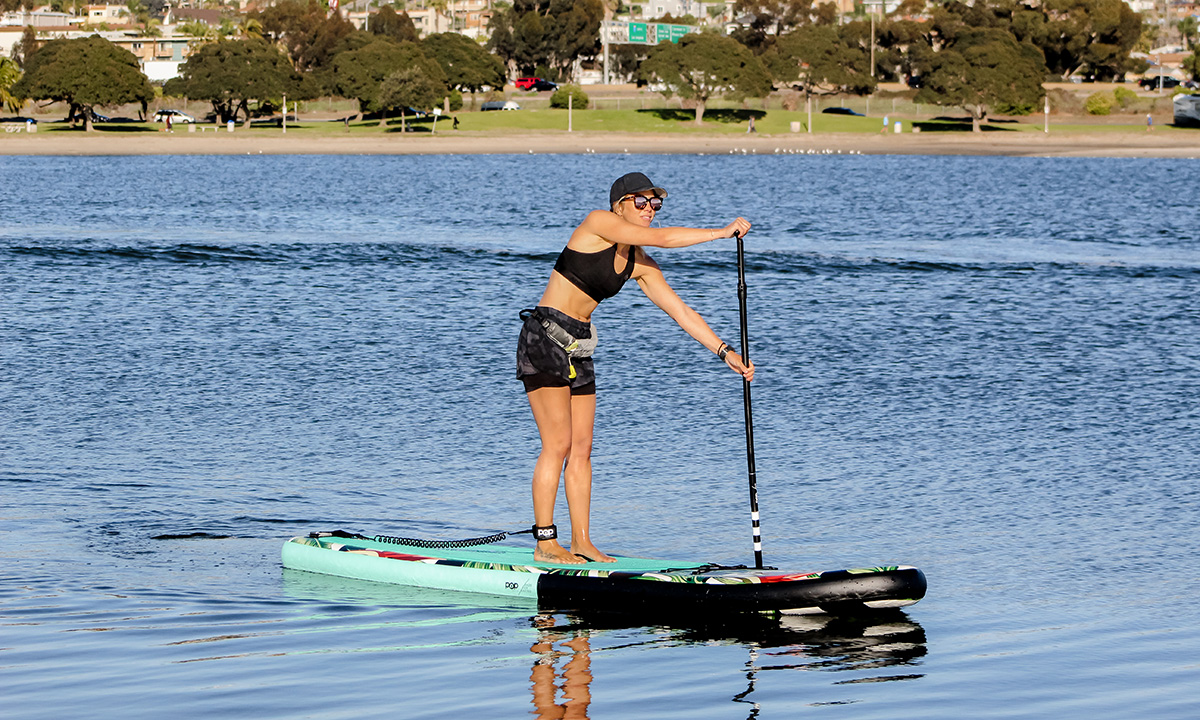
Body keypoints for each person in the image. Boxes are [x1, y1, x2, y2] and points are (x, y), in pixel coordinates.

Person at [516, 172, 754, 565]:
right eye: (640, 202)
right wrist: (721, 233)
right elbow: (663, 237)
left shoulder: (639, 263)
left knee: (583, 449)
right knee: (556, 445)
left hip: (580, 346)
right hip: (544, 338)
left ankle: (582, 542)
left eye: (655, 204)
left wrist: (724, 351)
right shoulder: (597, 224)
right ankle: (545, 542)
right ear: (619, 205)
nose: (649, 210)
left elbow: (680, 310)